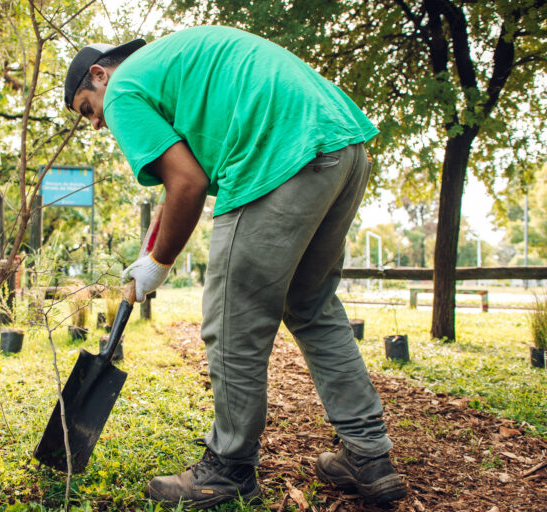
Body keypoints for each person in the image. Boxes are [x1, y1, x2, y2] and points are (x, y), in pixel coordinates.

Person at [63, 25, 407, 508]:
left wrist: (160, 263)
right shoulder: (167, 65)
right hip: (341, 145)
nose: (97, 123)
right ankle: (369, 455)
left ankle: (229, 467)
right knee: (311, 306)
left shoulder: (121, 92)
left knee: (232, 319)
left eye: (87, 109)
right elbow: (180, 179)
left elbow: (188, 184)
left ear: (99, 75)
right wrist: (150, 252)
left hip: (276, 154)